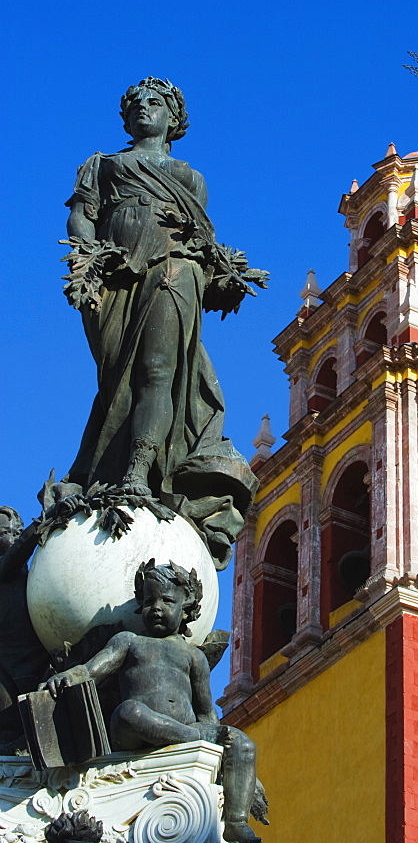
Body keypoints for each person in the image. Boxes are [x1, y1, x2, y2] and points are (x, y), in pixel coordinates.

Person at [62, 78, 266, 567]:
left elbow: (202, 236)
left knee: (160, 371)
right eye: (134, 105)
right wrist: (86, 258)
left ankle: (138, 471)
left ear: (174, 118)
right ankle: (109, 464)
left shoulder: (189, 177)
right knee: (117, 381)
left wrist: (222, 271)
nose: (142, 110)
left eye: (154, 103)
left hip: (176, 268)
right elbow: (81, 218)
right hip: (115, 278)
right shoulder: (104, 165)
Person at [43, 560, 266, 843]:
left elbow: (207, 712)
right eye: (150, 601)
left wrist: (241, 768)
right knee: (130, 711)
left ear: (186, 606)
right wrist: (68, 676)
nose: (157, 607)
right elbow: (92, 670)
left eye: (166, 600)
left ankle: (236, 821)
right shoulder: (129, 641)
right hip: (135, 732)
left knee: (243, 744)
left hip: (186, 726)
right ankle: (191, 738)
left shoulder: (193, 656)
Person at [0, 506, 52, 750]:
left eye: (17, 531)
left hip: (38, 661)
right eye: (5, 532)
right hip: (7, 668)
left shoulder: (29, 574)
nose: (13, 537)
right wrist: (44, 520)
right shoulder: (5, 567)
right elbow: (18, 551)